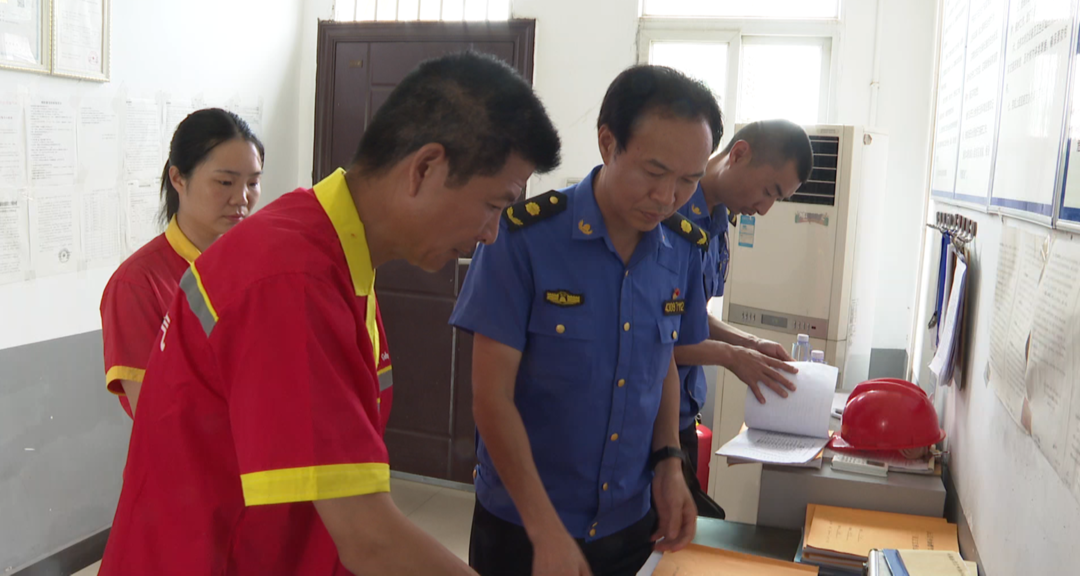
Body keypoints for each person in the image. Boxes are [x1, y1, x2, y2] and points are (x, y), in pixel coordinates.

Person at [98, 51, 561, 576]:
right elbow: (367, 537)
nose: (491, 234)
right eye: (494, 205)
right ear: (424, 168)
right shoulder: (290, 277)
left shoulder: (335, 256)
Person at [449, 65, 723, 576]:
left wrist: (669, 460)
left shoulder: (683, 248)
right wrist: (543, 527)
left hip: (630, 522)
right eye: (654, 172)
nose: (667, 197)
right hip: (523, 529)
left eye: (689, 180)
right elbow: (491, 397)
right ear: (607, 142)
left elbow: (661, 358)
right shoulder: (521, 240)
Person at [99, 108, 264, 418]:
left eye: (253, 183)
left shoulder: (261, 268)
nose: (242, 198)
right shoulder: (137, 284)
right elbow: (155, 415)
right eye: (225, 182)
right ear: (178, 178)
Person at [673, 119, 814, 473]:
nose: (764, 209)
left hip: (681, 415)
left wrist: (750, 343)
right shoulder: (669, 211)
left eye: (777, 199)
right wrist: (731, 355)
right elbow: (651, 334)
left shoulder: (718, 221)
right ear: (738, 154)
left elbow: (689, 317)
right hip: (645, 416)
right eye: (768, 191)